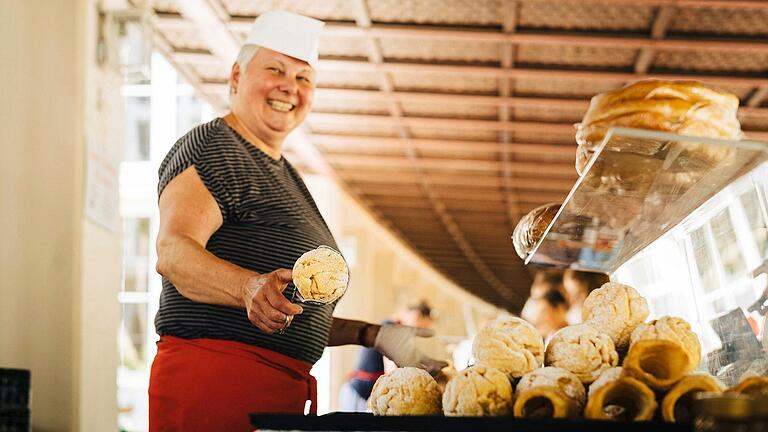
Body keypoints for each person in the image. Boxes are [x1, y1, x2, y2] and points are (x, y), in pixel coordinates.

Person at [148, 11, 445, 431]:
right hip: (215, 385)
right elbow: (173, 252)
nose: (290, 86)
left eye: (304, 77)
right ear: (236, 76)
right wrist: (248, 288)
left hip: (275, 393)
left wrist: (373, 335)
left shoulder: (284, 173)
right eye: (275, 70)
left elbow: (284, 309)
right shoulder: (213, 145)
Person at [338, 300, 436, 412]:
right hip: (357, 393)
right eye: (421, 326)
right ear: (416, 315)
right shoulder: (391, 328)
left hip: (362, 393)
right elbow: (391, 372)